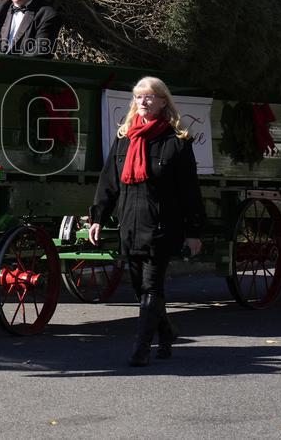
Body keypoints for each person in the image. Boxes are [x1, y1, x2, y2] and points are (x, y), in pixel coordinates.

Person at [87, 76, 204, 367]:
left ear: (163, 101)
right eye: (139, 97)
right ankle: (166, 333)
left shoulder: (177, 141)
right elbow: (109, 182)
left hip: (162, 224)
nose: (143, 102)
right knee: (140, 287)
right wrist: (98, 217)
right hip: (130, 221)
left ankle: (141, 348)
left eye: (150, 97)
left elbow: (189, 190)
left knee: (151, 286)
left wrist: (193, 232)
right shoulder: (125, 137)